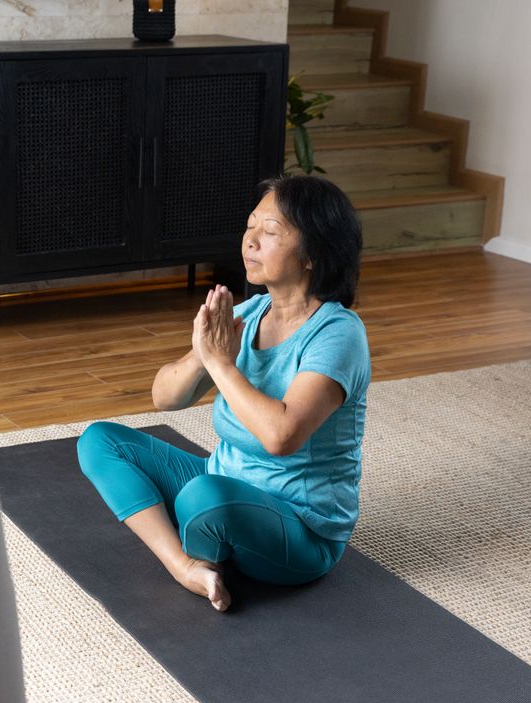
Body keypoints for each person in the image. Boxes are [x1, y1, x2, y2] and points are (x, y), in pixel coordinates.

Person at [76, 175, 370, 612]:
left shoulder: (338, 334)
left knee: (203, 496)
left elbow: (281, 437)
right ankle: (183, 565)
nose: (249, 241)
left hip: (302, 529)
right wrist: (201, 353)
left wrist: (221, 364)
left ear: (314, 253)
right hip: (224, 489)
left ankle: (203, 537)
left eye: (269, 232)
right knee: (100, 440)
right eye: (250, 227)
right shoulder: (250, 312)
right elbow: (165, 397)